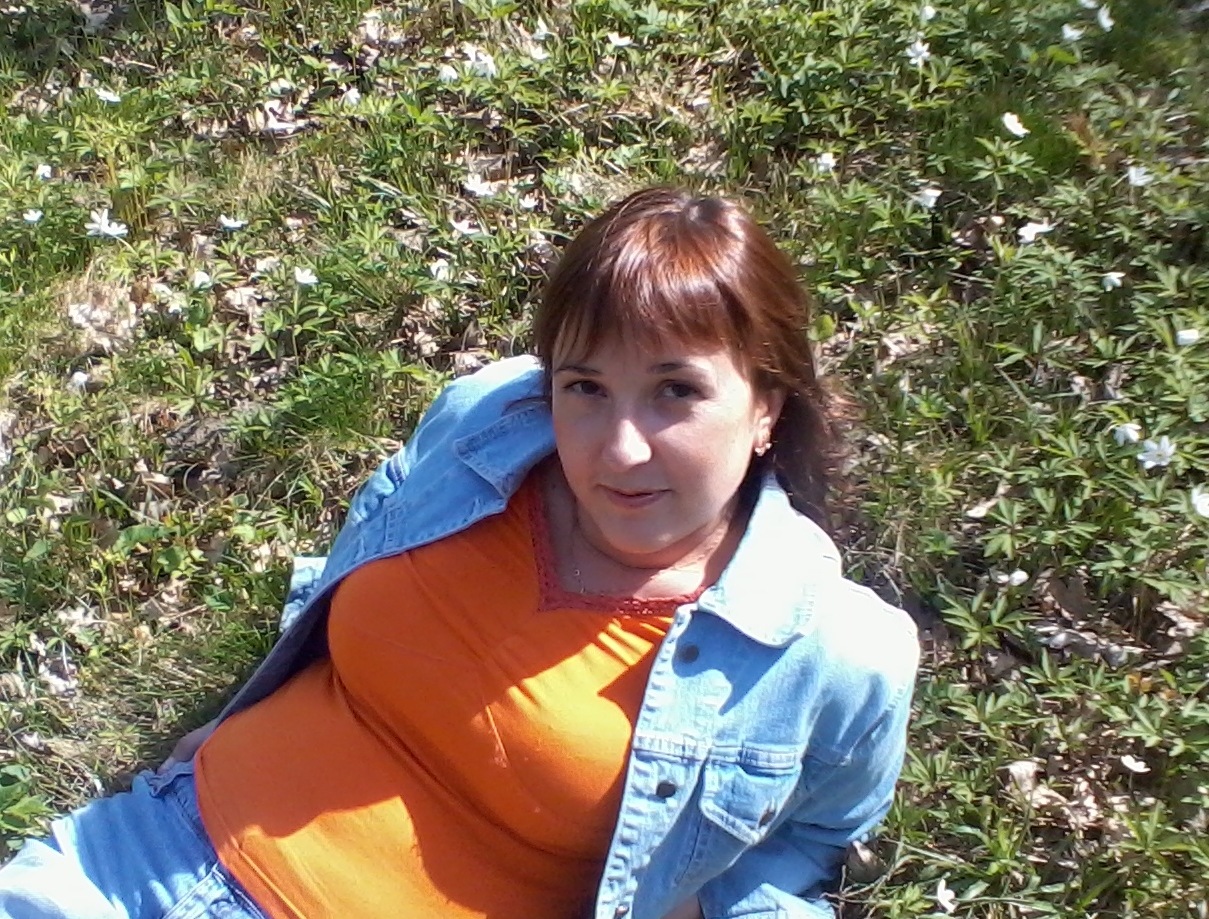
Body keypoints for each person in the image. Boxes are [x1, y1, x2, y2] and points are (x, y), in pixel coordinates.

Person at [0, 186, 919, 919]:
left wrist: (698, 903)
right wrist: (261, 703)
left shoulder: (834, 652)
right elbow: (363, 554)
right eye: (585, 387)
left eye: (675, 390)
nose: (619, 447)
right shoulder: (487, 425)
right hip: (147, 851)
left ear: (765, 406)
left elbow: (814, 836)